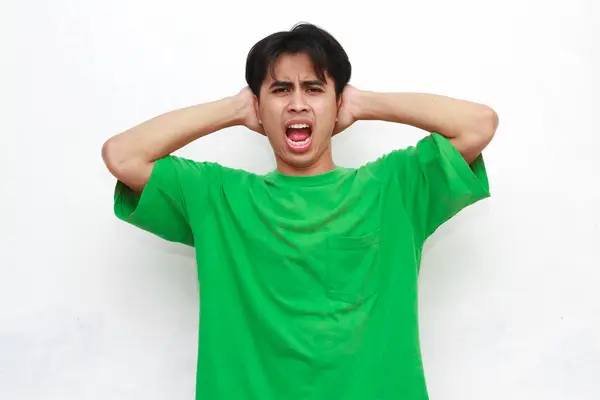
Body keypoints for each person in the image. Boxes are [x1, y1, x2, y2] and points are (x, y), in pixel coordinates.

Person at [102, 22, 498, 400]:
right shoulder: (217, 197)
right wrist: (235, 108)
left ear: (338, 103)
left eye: (313, 88)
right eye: (280, 90)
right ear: (258, 106)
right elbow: (122, 156)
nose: (297, 104)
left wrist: (362, 102)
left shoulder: (394, 187)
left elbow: (479, 125)